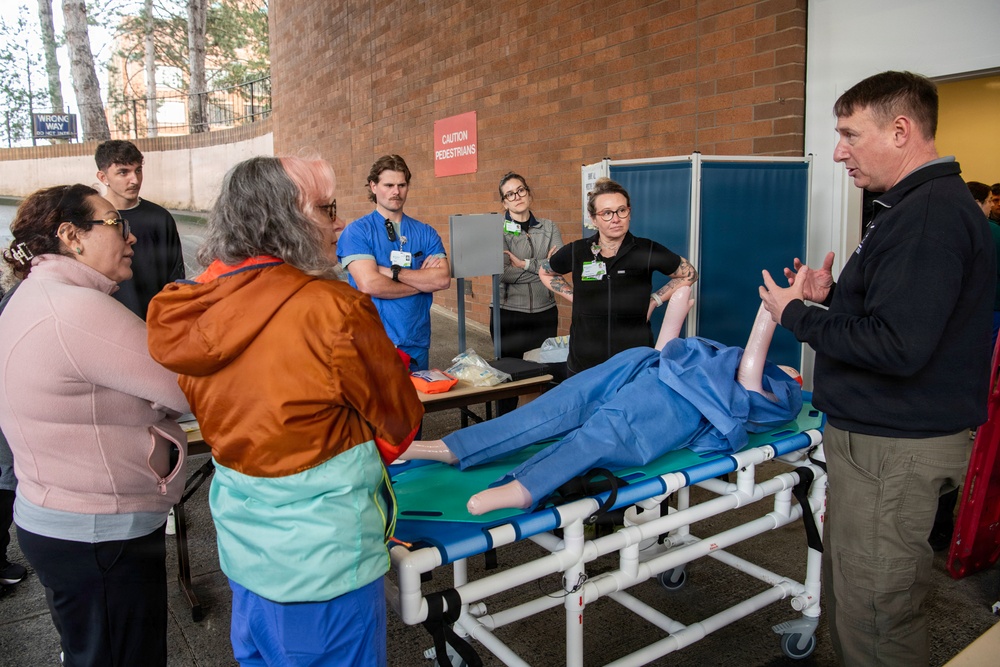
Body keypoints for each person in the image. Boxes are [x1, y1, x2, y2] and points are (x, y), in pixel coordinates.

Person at [146, 156, 424, 666]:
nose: (338, 222)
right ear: (289, 218)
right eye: (326, 207)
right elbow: (400, 424)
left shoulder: (193, 304)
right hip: (326, 558)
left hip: (244, 547)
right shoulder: (331, 307)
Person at [758, 71, 994, 666]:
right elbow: (907, 317)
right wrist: (831, 296)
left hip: (894, 449)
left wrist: (796, 317)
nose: (838, 150)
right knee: (866, 598)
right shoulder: (912, 207)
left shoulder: (927, 216)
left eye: (848, 135)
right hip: (886, 444)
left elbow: (897, 347)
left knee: (876, 616)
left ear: (900, 130)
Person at [0, 184, 190, 666]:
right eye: (115, 224)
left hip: (62, 516)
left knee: (93, 651)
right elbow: (186, 387)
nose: (130, 238)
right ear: (71, 236)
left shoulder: (37, 292)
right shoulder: (77, 310)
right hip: (98, 530)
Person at [404, 286, 802, 515]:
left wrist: (772, 313)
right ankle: (450, 446)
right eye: (790, 371)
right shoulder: (722, 357)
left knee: (607, 431)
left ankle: (526, 486)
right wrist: (675, 310)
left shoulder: (771, 396)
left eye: (792, 377)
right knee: (556, 405)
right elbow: (668, 351)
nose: (788, 372)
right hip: (642, 365)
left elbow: (750, 370)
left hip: (683, 401)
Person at [540, 177, 698, 375]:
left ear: (629, 213)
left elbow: (689, 274)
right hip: (584, 361)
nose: (615, 218)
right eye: (606, 213)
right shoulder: (577, 251)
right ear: (593, 218)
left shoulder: (646, 250)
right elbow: (545, 271)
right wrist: (572, 295)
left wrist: (655, 300)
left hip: (634, 360)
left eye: (621, 210)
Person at [337, 154, 451, 371]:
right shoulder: (357, 232)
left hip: (415, 341)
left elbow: (442, 279)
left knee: (415, 404)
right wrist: (422, 283)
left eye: (402, 185)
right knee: (376, 405)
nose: (396, 191)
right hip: (371, 342)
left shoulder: (425, 233)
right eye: (388, 185)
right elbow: (370, 285)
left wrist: (392, 273)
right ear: (373, 186)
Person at [95, 140, 185, 319]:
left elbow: (176, 280)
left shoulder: (160, 218)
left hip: (156, 324)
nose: (134, 180)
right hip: (108, 324)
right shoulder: (93, 221)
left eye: (138, 170)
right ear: (103, 177)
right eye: (123, 172)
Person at [493, 172, 564, 358]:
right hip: (509, 313)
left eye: (520, 190)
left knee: (544, 372)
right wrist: (544, 268)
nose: (517, 197)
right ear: (504, 202)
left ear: (528, 193)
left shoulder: (549, 227)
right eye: (510, 194)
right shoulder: (495, 230)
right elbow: (502, 274)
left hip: (545, 312)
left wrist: (524, 264)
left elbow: (559, 266)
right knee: (512, 375)